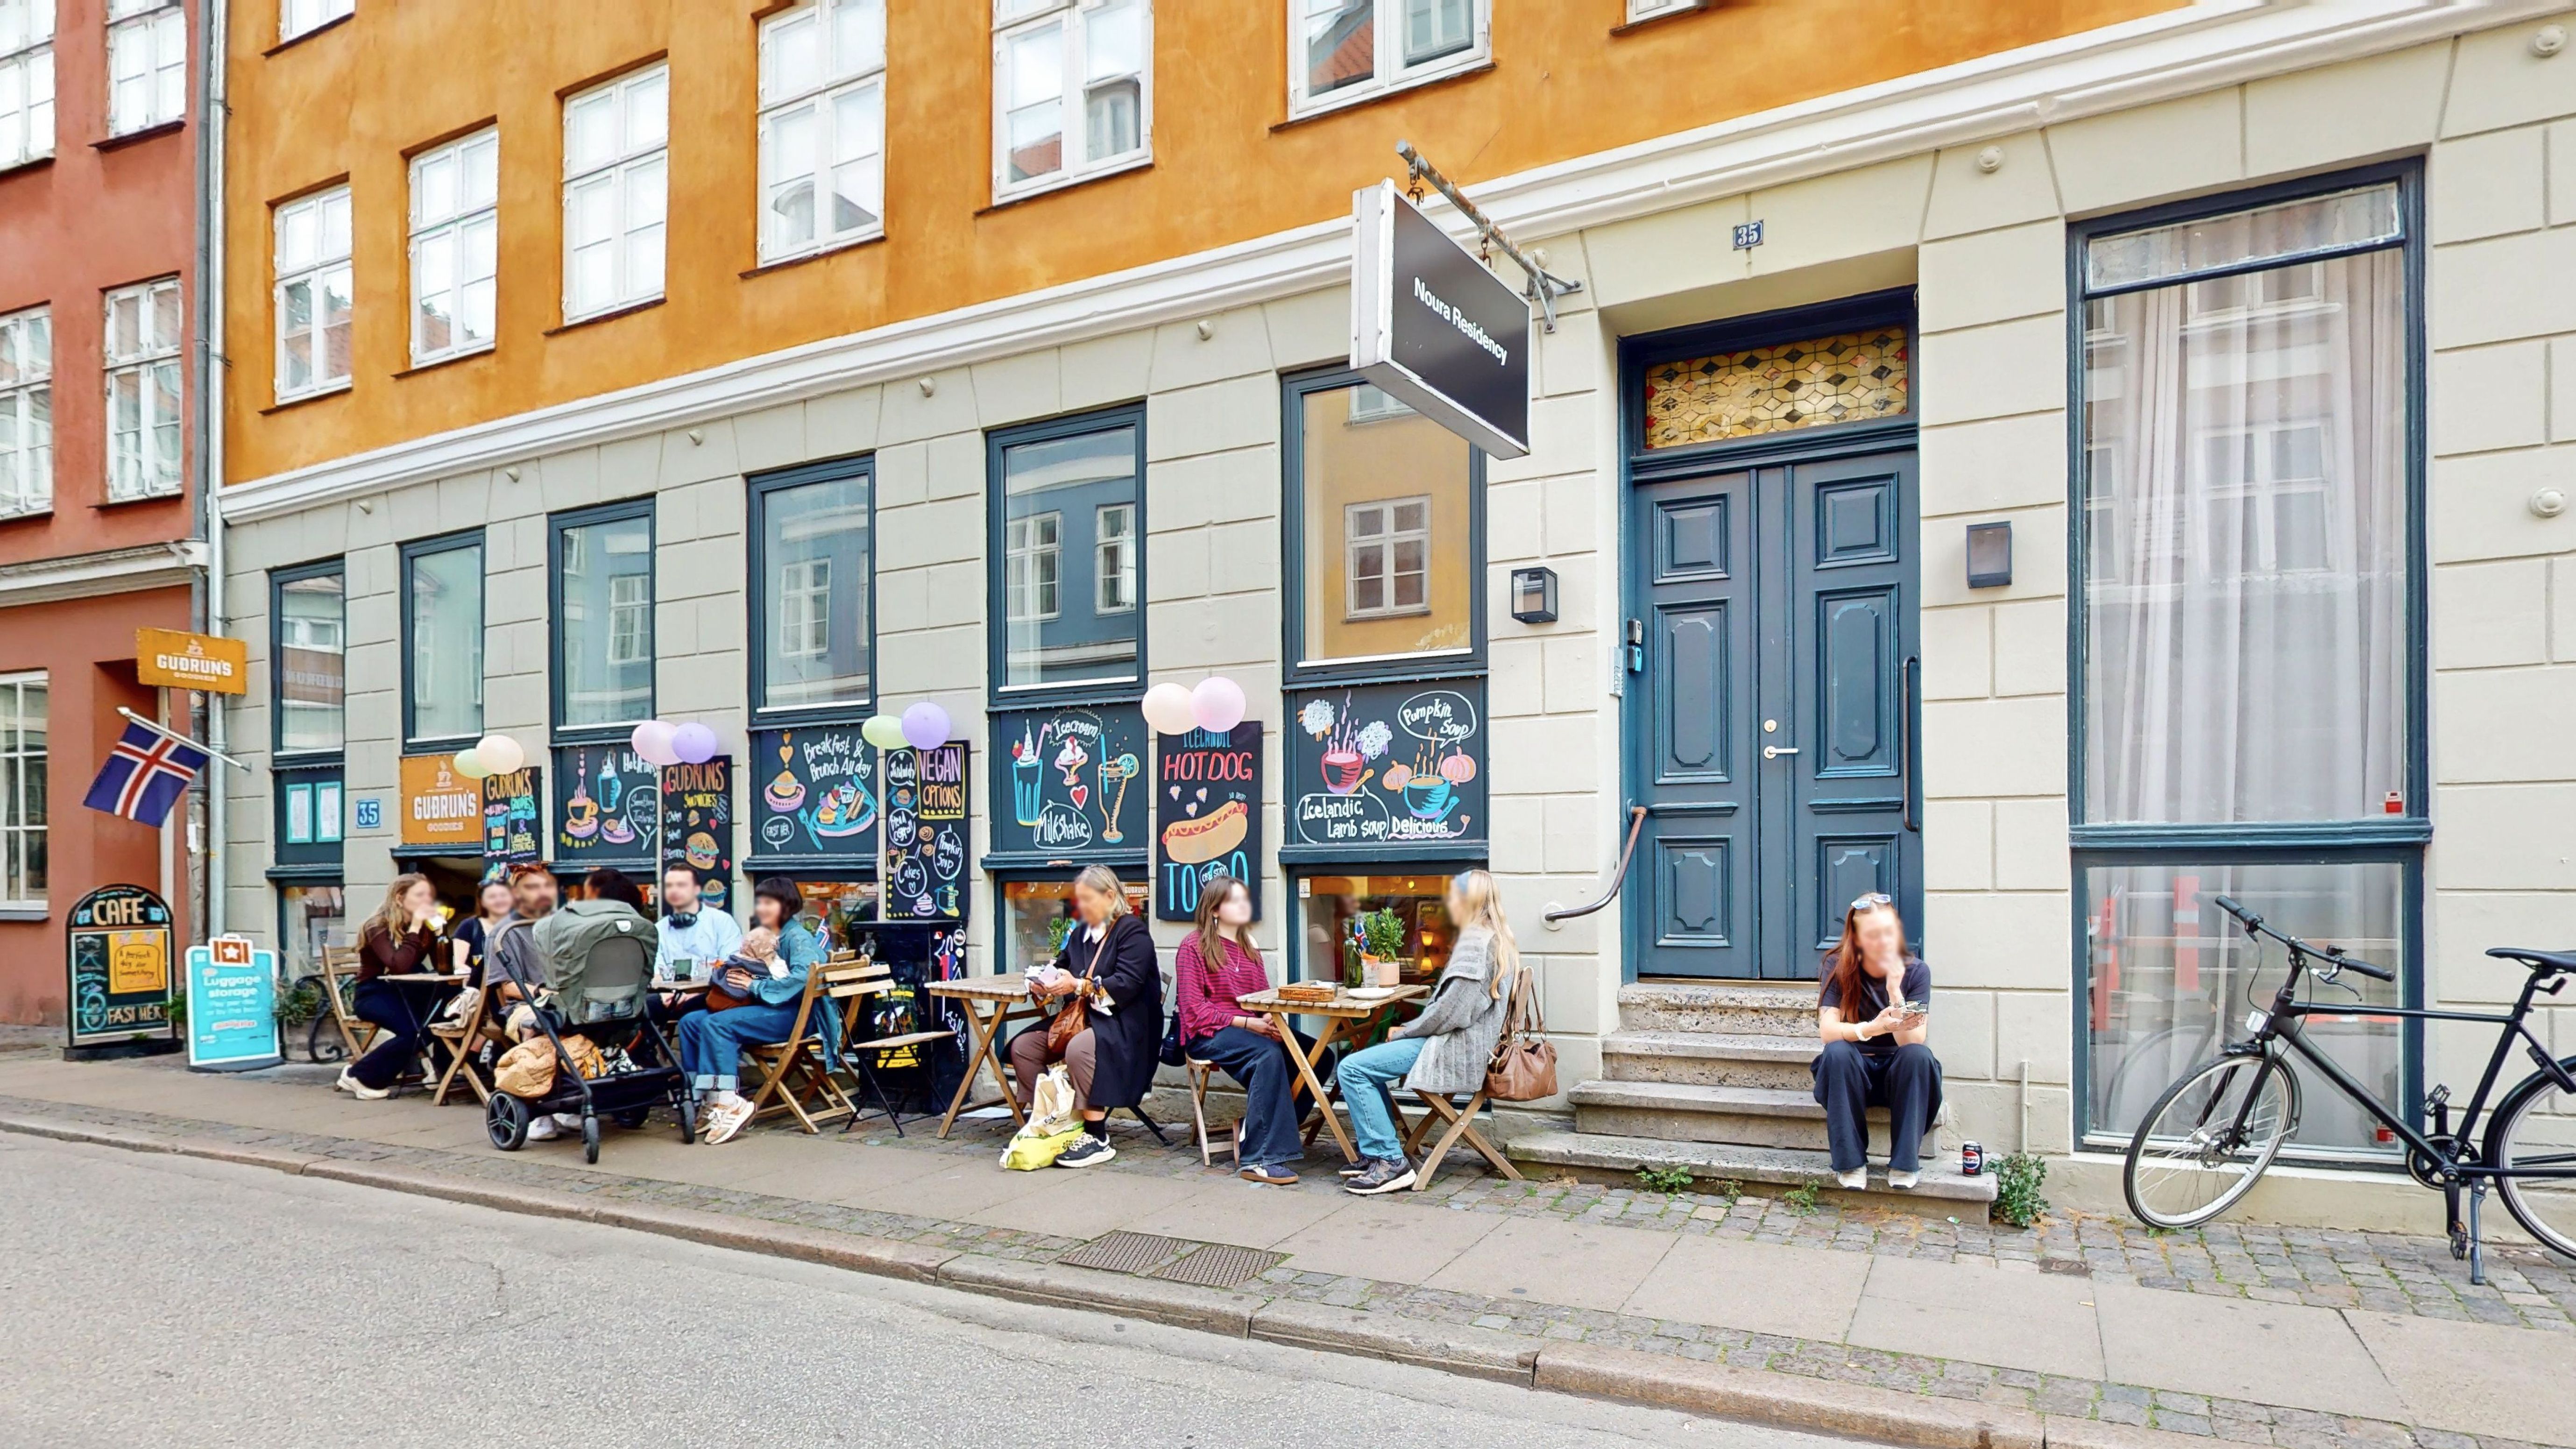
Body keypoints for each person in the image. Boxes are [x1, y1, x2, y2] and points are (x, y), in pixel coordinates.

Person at [1334, 869, 1519, 1195]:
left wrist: (1405, 1031)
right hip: (1469, 1045)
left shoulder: (1476, 944)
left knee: (1352, 1068)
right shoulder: (1495, 938)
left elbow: (1451, 1013)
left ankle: (1390, 1161)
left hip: (1454, 1048)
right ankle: (1378, 1151)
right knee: (1365, 1067)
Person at [1007, 864, 1160, 1168]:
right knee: (1023, 1046)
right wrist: (1041, 982)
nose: (1082, 906)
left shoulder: (1133, 932)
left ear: (1110, 896)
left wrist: (1077, 985)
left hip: (1126, 1026)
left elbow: (1126, 987)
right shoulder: (1080, 935)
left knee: (1080, 1047)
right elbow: (1060, 966)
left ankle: (1096, 1136)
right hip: (1083, 1019)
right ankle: (1049, 1120)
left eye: (1088, 899)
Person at [1175, 874, 1312, 1186]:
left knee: (1314, 1056)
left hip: (1250, 1028)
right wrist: (1250, 1024)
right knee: (1267, 1054)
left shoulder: (1249, 945)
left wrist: (1271, 1021)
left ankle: (1259, 1126)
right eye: (1234, 900)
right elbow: (1195, 1011)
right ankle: (1259, 1158)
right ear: (1214, 909)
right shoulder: (1192, 946)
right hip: (1209, 1034)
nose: (1243, 905)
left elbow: (1261, 995)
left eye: (1244, 899)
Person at [678, 876, 828, 1146]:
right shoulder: (768, 933)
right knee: (691, 1022)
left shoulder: (797, 937)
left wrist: (754, 985)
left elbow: (803, 979)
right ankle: (705, 1096)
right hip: (764, 1010)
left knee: (718, 1025)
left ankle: (729, 1102)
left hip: (793, 1016)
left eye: (768, 903)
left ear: (786, 904)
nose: (761, 908)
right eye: (759, 902)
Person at [1813, 892, 1940, 1190]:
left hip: (1901, 1079)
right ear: (1856, 938)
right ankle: (1852, 1163)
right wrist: (1871, 1028)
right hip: (1850, 1076)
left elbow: (1913, 1039)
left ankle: (1905, 1163)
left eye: (1888, 931)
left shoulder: (1917, 971)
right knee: (1837, 1052)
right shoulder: (1837, 966)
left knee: (1918, 1056)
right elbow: (1828, 1031)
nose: (1882, 941)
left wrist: (1896, 993)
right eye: (1872, 935)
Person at [335, 874, 455, 1100]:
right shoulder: (377, 927)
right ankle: (359, 1076)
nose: (427, 902)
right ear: (400, 899)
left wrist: (441, 933)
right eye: (420, 896)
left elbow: (443, 967)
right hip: (374, 993)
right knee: (414, 1031)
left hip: (407, 991)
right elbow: (399, 965)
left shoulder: (425, 927)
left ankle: (440, 1070)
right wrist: (416, 928)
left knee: (448, 1008)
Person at [654, 863, 742, 1022]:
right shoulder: (659, 929)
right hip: (670, 999)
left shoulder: (721, 922)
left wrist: (694, 995)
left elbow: (732, 967)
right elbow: (656, 973)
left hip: (711, 997)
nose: (674, 890)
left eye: (681, 885)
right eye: (669, 886)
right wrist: (668, 996)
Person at [452, 876, 515, 985]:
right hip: (479, 989)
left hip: (512, 987)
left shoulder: (516, 926)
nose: (499, 900)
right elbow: (459, 964)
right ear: (482, 901)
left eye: (503, 896)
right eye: (492, 897)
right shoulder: (469, 926)